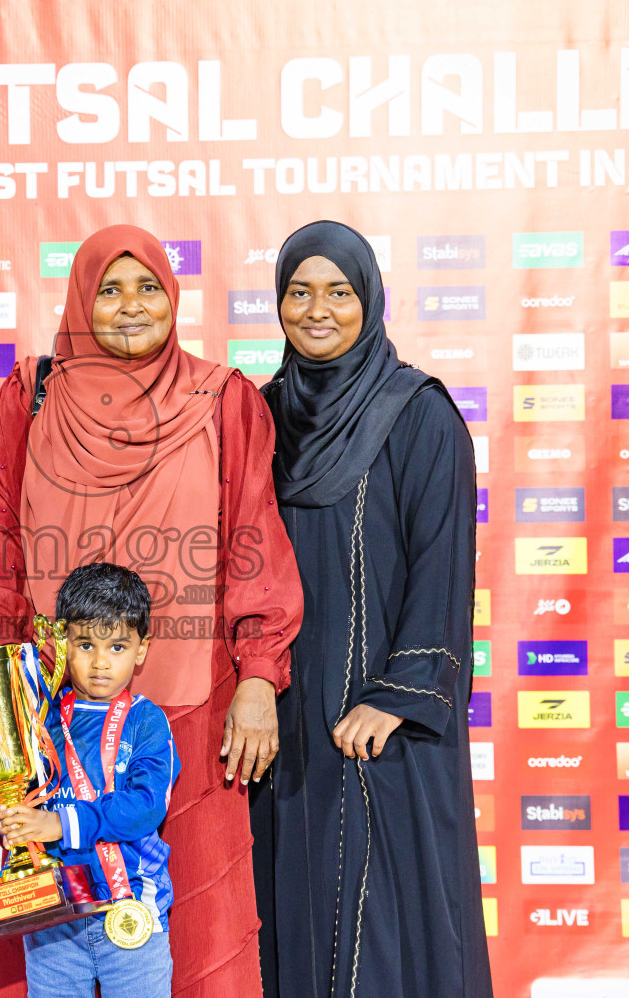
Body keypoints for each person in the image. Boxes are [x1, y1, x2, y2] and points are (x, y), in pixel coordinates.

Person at [0, 224, 303, 998]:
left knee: (197, 929)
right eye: (108, 289)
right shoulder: (30, 393)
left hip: (190, 706)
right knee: (53, 924)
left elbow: (254, 537)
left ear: (172, 297)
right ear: (81, 298)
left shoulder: (222, 397)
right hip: (55, 710)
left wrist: (257, 676)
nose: (129, 305)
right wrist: (3, 702)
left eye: (146, 286)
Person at [250, 220, 493, 998]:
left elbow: (442, 566)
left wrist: (396, 697)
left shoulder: (417, 413)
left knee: (379, 917)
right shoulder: (258, 416)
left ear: (370, 299)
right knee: (284, 901)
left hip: (373, 721)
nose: (317, 309)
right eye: (298, 291)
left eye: (339, 291)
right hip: (278, 717)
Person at [0, 562, 180, 998]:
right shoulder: (41, 717)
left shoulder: (146, 721)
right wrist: (18, 819)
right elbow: (24, 795)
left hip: (132, 908)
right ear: (62, 645)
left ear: (141, 649)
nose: (100, 663)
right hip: (54, 915)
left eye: (117, 647)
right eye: (85, 645)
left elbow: (145, 808)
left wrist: (61, 824)